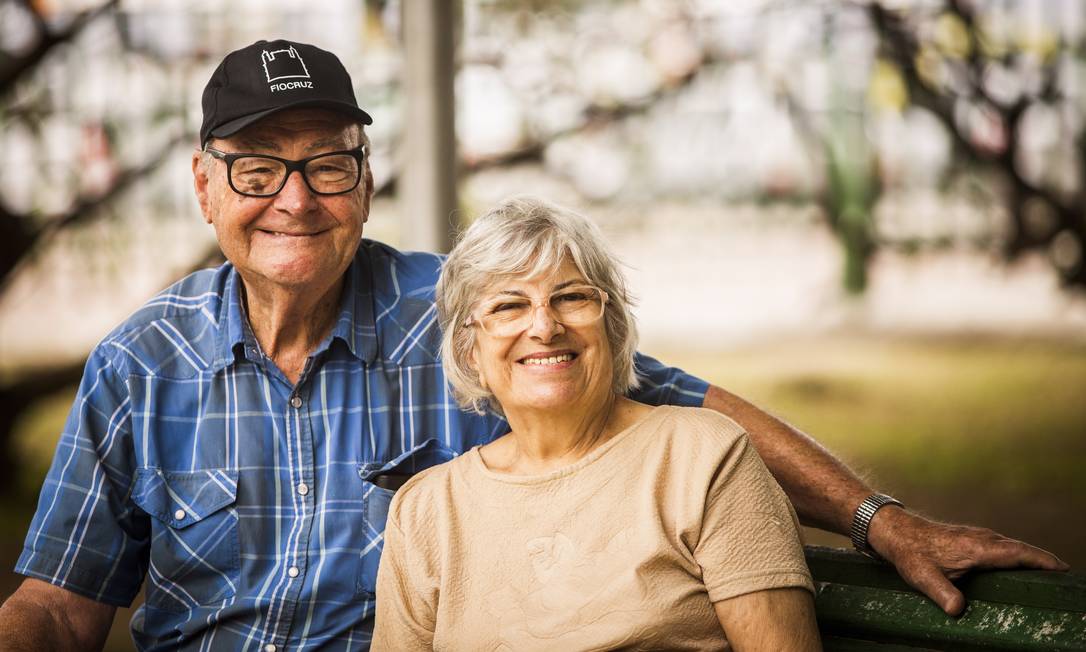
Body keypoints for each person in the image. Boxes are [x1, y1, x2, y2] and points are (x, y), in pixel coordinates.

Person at [0, 38, 1066, 652]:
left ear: (366, 183)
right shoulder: (142, 363)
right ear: (203, 185)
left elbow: (686, 409)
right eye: (256, 169)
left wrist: (880, 520)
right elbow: (55, 604)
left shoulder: (472, 315)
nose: (295, 199)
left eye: (328, 163)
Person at [372, 197, 821, 650]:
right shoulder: (425, 510)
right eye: (509, 307)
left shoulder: (702, 457)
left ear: (612, 326)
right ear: (471, 352)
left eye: (570, 297)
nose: (545, 327)